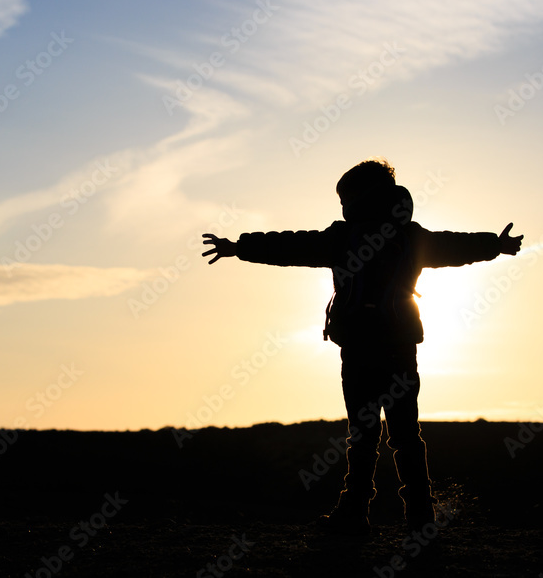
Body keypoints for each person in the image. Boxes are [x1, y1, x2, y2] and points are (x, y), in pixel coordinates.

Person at [202, 158, 522, 533]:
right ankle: (420, 517)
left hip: (358, 348)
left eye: (344, 197)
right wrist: (495, 245)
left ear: (357, 197)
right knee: (405, 434)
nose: (341, 205)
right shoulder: (410, 236)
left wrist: (239, 246)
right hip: (400, 346)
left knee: (363, 435)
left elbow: (291, 247)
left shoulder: (342, 238)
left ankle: (355, 514)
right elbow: (451, 246)